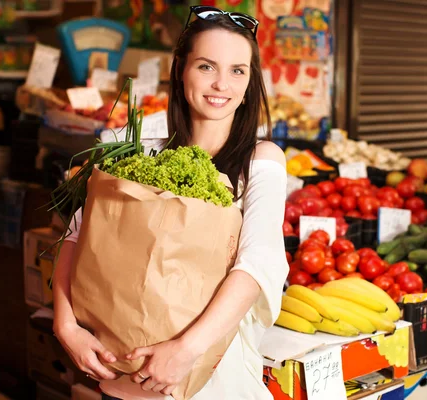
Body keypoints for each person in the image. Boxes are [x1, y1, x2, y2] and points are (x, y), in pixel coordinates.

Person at [52, 6, 289, 400]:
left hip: (210, 378)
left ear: (249, 83)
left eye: (237, 71)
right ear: (181, 69)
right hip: (118, 375)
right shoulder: (135, 150)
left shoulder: (261, 160)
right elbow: (76, 237)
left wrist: (184, 350)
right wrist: (66, 325)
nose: (221, 85)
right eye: (206, 67)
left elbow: (258, 263)